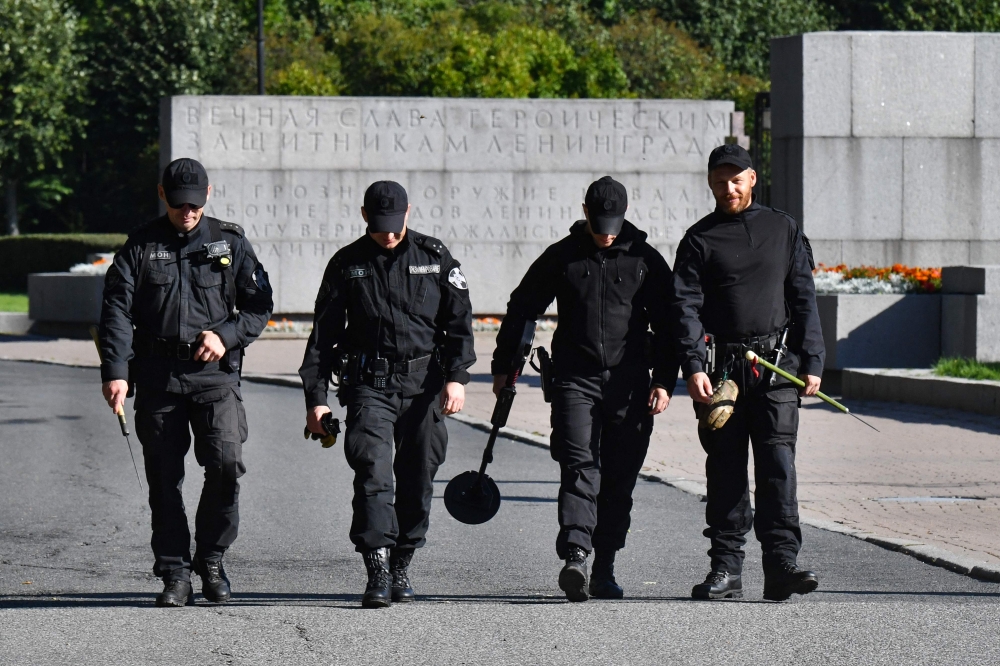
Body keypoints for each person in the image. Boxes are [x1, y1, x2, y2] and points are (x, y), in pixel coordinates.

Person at [491, 176, 677, 602]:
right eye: (599, 223)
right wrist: (505, 367)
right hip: (574, 379)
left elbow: (669, 326)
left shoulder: (644, 259)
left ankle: (605, 567)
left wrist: (666, 380)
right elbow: (523, 308)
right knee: (578, 465)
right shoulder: (563, 256)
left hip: (630, 384)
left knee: (619, 477)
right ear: (584, 211)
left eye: (613, 223)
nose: (606, 232)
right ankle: (576, 553)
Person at [99, 158, 273, 607]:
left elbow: (259, 305)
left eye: (195, 204)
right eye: (179, 205)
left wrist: (227, 335)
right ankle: (175, 572)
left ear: (208, 195)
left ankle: (212, 558)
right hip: (158, 378)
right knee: (163, 479)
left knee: (226, 465)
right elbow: (116, 311)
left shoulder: (229, 242)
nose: (188, 212)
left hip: (215, 377)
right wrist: (116, 371)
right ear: (163, 196)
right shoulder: (140, 246)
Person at [299, 180, 476, 609]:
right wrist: (315, 399)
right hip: (369, 386)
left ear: (408, 213)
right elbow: (323, 337)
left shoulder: (434, 258)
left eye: (395, 225)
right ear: (364, 217)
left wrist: (456, 378)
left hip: (423, 388)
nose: (389, 234)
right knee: (374, 474)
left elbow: (459, 323)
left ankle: (402, 564)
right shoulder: (346, 264)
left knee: (419, 477)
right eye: (380, 226)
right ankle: (377, 567)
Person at [670, 143, 825, 602]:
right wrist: (693, 364)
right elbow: (685, 309)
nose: (728, 188)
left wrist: (813, 361)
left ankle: (782, 565)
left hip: (777, 369)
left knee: (778, 467)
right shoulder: (699, 239)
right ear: (711, 184)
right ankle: (726, 570)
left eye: (736, 179)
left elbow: (803, 298)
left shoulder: (783, 229)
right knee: (726, 470)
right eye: (720, 181)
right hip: (723, 375)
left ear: (752, 179)